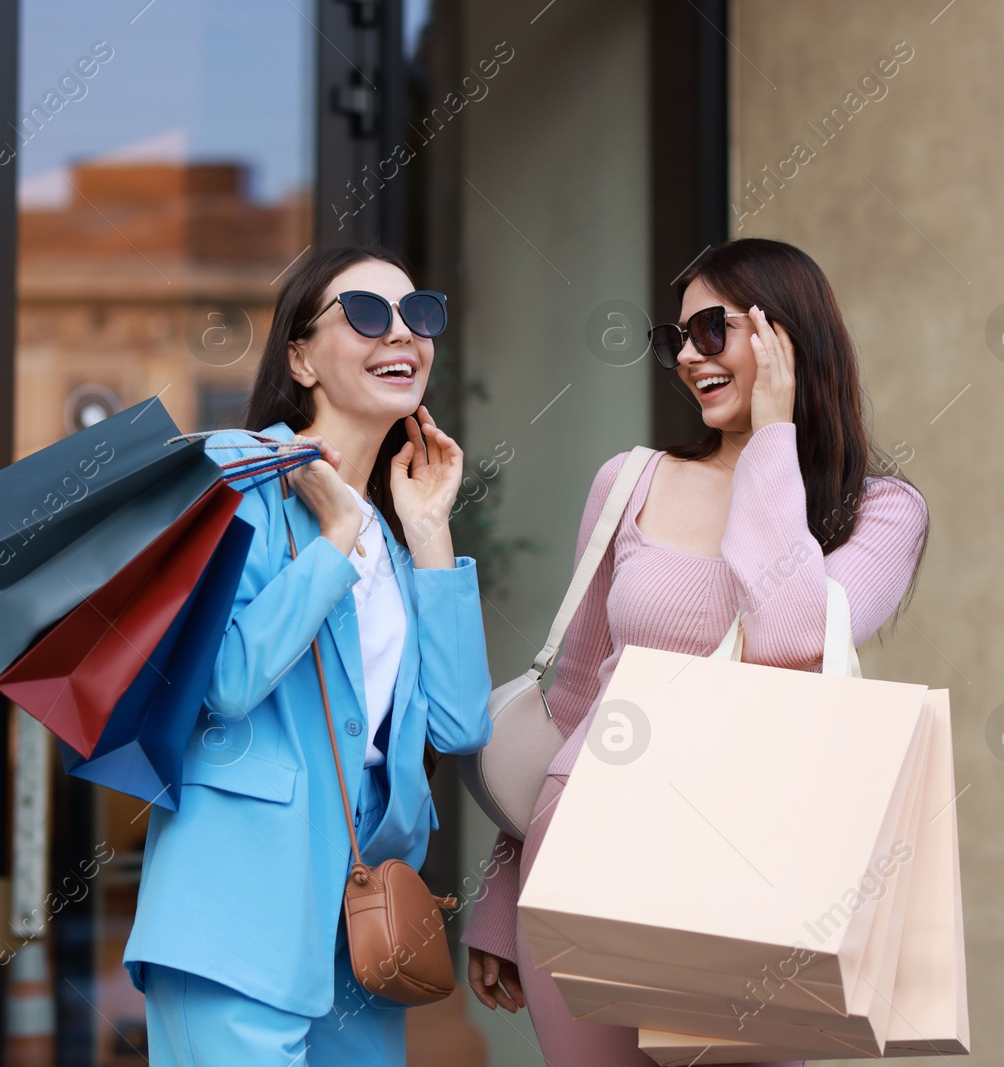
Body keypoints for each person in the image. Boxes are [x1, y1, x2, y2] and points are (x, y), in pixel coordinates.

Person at [460, 237, 930, 1066]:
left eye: (712, 330)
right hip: (584, 840)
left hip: (751, 856)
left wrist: (773, 445)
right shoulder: (629, 483)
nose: (686, 354)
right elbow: (571, 696)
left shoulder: (879, 512)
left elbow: (790, 636)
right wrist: (501, 895)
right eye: (675, 337)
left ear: (784, 336)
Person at [123, 246, 493, 1066]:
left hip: (362, 932)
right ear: (300, 357)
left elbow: (463, 724)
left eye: (418, 314)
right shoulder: (237, 477)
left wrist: (429, 531)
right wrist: (331, 543)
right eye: (365, 314)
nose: (401, 333)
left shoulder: (397, 546)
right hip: (237, 910)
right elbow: (225, 680)